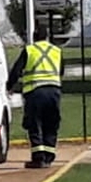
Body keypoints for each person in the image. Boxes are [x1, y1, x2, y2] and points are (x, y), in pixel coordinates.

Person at [6, 25, 62, 169]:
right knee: (51, 124)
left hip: (35, 92)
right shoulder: (56, 51)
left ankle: (38, 158)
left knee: (35, 124)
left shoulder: (29, 50)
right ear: (47, 36)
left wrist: (10, 86)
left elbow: (17, 70)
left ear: (34, 36)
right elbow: (60, 71)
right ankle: (49, 157)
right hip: (53, 92)